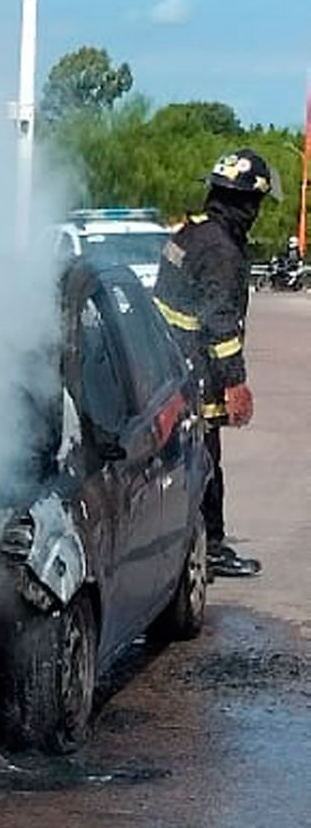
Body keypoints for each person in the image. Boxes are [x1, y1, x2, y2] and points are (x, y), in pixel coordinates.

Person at [153, 148, 280, 578]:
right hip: (197, 372)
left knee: (182, 459)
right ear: (247, 203)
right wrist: (235, 383)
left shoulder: (190, 233)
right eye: (256, 203)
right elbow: (219, 325)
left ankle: (184, 543)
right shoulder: (222, 251)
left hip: (169, 365)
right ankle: (212, 547)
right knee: (205, 459)